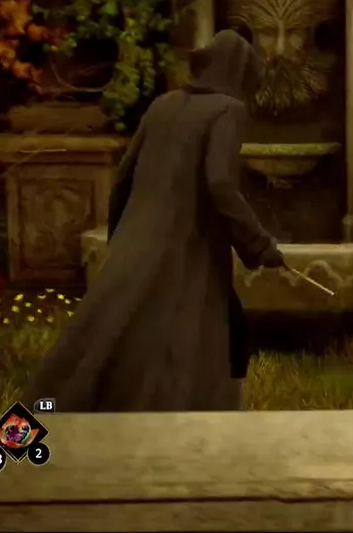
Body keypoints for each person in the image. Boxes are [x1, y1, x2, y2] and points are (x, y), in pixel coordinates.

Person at [21, 30, 285, 411]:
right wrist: (260, 245)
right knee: (192, 343)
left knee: (86, 351)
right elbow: (220, 184)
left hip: (134, 245)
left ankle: (15, 438)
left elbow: (123, 178)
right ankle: (191, 434)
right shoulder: (228, 110)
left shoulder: (162, 104)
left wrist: (120, 242)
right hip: (185, 250)